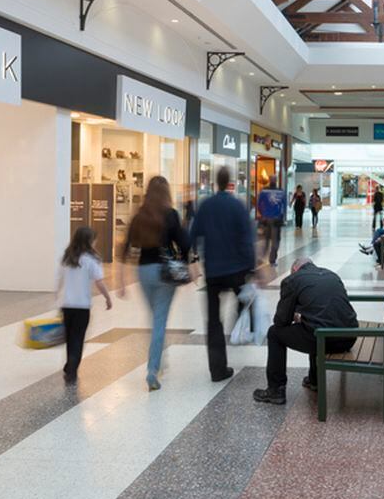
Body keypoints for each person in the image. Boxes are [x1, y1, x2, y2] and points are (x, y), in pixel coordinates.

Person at [116, 176, 189, 391]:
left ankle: (160, 359)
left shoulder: (139, 215)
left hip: (143, 273)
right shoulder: (170, 215)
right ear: (166, 192)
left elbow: (125, 248)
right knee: (159, 321)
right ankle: (152, 370)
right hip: (164, 274)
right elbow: (184, 243)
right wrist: (185, 264)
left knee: (155, 319)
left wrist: (120, 281)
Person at [253, 258, 359, 404]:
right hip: (349, 337)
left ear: (295, 269)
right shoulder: (331, 275)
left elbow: (281, 321)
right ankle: (314, 380)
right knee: (313, 324)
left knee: (274, 333)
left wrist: (295, 316)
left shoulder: (293, 280)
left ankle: (275, 390)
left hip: (325, 340)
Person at [190, 167, 255, 383]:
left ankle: (217, 370)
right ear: (230, 182)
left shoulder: (206, 206)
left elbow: (193, 234)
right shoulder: (237, 206)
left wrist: (193, 257)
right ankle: (242, 328)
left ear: (215, 183)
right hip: (236, 270)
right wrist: (250, 267)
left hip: (214, 272)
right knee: (246, 300)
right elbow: (247, 238)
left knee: (213, 321)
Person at [56, 226, 112, 383]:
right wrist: (108, 297)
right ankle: (72, 368)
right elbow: (99, 282)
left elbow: (59, 279)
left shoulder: (66, 258)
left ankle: (69, 366)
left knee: (69, 337)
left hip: (66, 305)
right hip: (82, 306)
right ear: (89, 241)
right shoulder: (92, 260)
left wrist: (57, 296)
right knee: (78, 338)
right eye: (94, 240)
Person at [256, 175, 286, 266]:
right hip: (276, 220)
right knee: (275, 241)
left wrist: (263, 214)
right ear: (276, 181)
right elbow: (284, 207)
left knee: (265, 240)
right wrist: (281, 216)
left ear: (269, 181)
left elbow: (259, 205)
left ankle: (260, 257)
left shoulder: (263, 191)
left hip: (265, 219)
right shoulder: (281, 192)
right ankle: (272, 260)